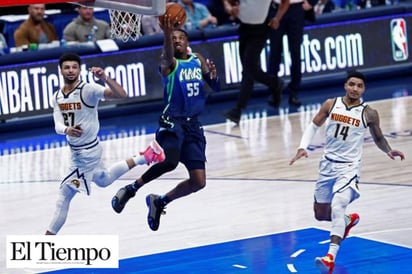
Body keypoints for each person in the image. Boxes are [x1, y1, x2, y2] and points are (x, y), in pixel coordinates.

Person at [111, 14, 220, 231]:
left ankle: (159, 201)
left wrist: (214, 78)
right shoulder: (168, 64)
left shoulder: (197, 59)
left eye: (181, 38)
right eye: (174, 38)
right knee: (170, 161)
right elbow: (168, 53)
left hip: (193, 126)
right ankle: (131, 189)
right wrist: (167, 34)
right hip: (172, 122)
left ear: (188, 42)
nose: (177, 40)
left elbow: (215, 88)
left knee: (199, 182)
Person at [289, 70, 405, 273]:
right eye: (352, 84)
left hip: (349, 167)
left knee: (338, 204)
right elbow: (314, 125)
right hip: (327, 165)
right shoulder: (331, 104)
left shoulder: (369, 113)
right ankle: (346, 221)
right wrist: (302, 147)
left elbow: (378, 137)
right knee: (321, 214)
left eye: (359, 86)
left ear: (364, 89)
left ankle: (330, 256)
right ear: (345, 85)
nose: (355, 89)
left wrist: (388, 150)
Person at [45, 53, 165, 235]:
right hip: (79, 151)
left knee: (64, 196)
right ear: (60, 70)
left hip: (87, 154)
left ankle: (45, 243)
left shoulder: (88, 90)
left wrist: (105, 78)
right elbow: (57, 124)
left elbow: (121, 94)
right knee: (103, 179)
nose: (71, 70)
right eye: (67, 67)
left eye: (74, 67)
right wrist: (66, 130)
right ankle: (145, 156)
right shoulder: (57, 96)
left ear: (79, 69)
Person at [222, 0, 289, 125]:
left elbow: (285, 2)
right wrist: (230, 8)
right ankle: (275, 83)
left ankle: (238, 110)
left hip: (260, 29)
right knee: (249, 69)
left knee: (249, 68)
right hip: (243, 28)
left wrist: (277, 18)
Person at [268, 0, 315, 108]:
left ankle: (294, 91)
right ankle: (273, 91)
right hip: (276, 9)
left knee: (295, 52)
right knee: (274, 51)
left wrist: (312, 2)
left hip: (296, 9)